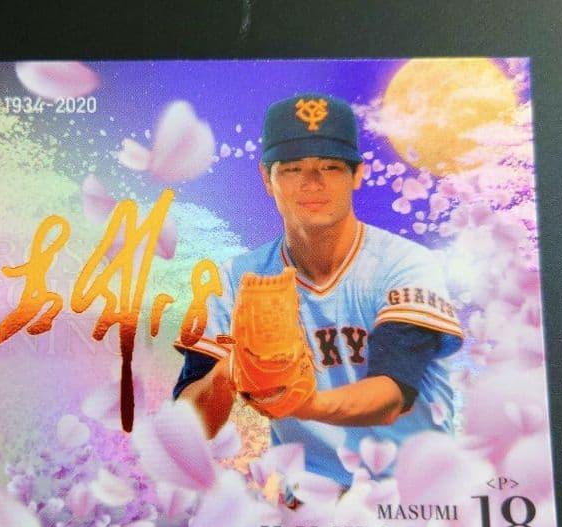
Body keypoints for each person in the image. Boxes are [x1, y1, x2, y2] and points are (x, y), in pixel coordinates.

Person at [173, 93, 463, 486]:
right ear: (267, 178)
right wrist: (231, 369)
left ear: (357, 174)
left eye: (330, 166)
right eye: (293, 168)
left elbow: (393, 394)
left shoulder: (405, 264)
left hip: (416, 493)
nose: (312, 182)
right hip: (310, 497)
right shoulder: (237, 278)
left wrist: (302, 403)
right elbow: (189, 424)